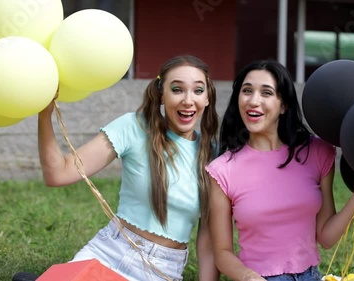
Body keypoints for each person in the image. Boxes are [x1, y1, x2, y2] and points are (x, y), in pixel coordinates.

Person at [29, 55, 220, 281]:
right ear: (161, 94)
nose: (188, 100)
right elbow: (58, 174)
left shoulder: (213, 156)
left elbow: (208, 239)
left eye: (198, 91)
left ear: (207, 97)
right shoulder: (134, 127)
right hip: (108, 252)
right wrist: (45, 114)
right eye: (177, 89)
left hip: (161, 271)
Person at [205, 60, 354, 281]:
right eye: (246, 91)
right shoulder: (222, 171)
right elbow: (222, 253)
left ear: (284, 105)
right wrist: (248, 277)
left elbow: (325, 237)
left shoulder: (316, 153)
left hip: (310, 276)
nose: (253, 100)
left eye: (266, 93)